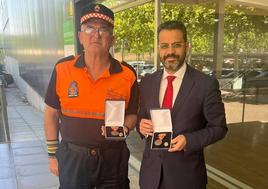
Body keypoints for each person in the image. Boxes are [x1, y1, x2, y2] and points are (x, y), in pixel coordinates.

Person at [44, 3, 138, 189]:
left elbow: (133, 114)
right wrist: (53, 156)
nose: (96, 34)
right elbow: (51, 115)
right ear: (80, 36)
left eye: (103, 29)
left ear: (112, 39)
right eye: (89, 28)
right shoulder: (62, 69)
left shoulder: (127, 74)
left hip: (113, 159)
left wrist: (125, 129)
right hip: (73, 159)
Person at [137, 20, 228, 189]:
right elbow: (141, 116)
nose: (170, 52)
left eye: (176, 45)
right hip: (151, 176)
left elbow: (219, 128)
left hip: (187, 178)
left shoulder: (205, 84)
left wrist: (189, 140)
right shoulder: (147, 82)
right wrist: (140, 125)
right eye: (164, 46)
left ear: (187, 46)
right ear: (158, 48)